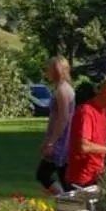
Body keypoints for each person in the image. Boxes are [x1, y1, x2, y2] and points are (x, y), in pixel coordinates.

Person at [63, 76, 106, 190]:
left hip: (96, 177)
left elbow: (100, 143)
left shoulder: (104, 113)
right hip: (81, 180)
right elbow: (83, 146)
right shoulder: (86, 112)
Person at [35, 57, 76, 194]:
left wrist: (52, 143)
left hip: (61, 141)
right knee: (63, 177)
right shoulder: (62, 88)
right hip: (60, 140)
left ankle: (64, 199)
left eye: (49, 69)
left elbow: (63, 118)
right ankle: (67, 200)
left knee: (43, 174)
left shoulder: (62, 90)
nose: (47, 72)